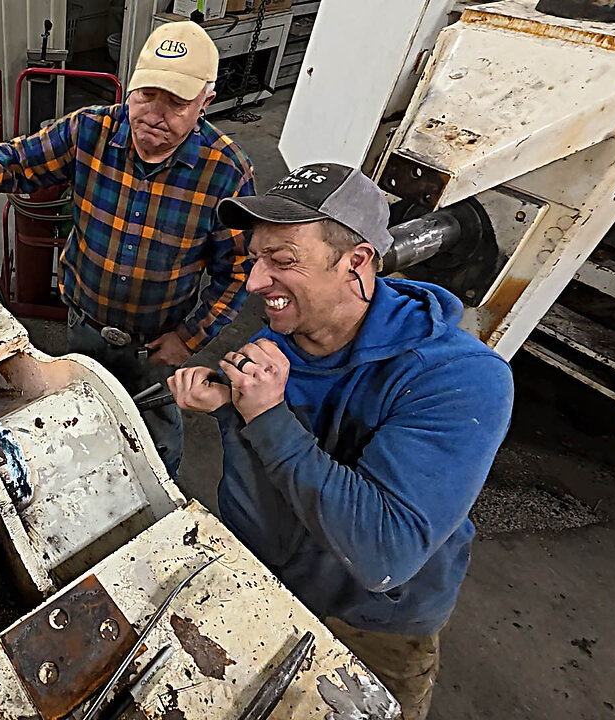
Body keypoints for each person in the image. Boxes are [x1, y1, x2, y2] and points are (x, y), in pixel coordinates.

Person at [167, 164, 514, 720]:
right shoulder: (277, 341)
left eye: (282, 261)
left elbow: (383, 553)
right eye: (256, 258)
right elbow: (259, 487)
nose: (254, 282)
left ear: (356, 262)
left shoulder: (461, 379)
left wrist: (269, 416)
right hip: (270, 589)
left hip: (372, 623)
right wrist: (232, 411)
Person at [0, 21, 254, 477]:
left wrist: (190, 337)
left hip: (155, 346)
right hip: (85, 325)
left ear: (206, 102)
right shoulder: (90, 131)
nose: (154, 115)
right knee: (79, 422)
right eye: (146, 95)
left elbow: (238, 271)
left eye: (177, 103)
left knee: (153, 445)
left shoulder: (227, 173)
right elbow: (21, 159)